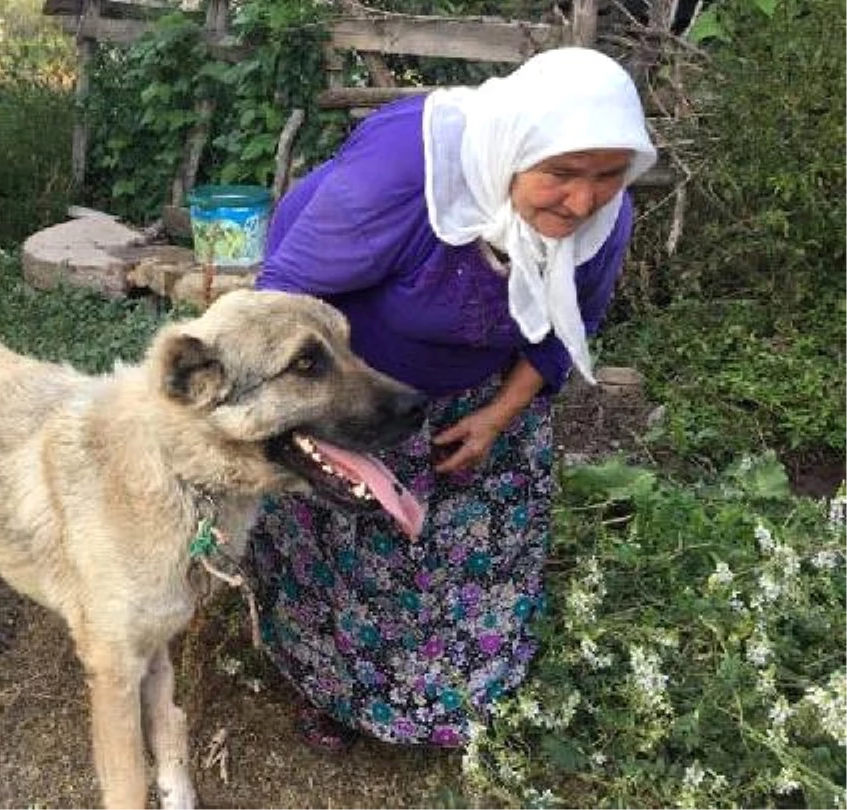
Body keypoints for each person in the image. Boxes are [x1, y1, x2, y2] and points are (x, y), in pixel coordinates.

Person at [247, 47, 657, 751]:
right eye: (560, 174)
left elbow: (566, 330)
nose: (584, 200)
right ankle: (332, 690)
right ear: (512, 155)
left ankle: (456, 698)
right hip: (358, 387)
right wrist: (324, 411)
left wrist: (498, 417)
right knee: (344, 547)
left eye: (609, 177)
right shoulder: (406, 177)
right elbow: (284, 302)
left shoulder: (602, 222)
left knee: (476, 553)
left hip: (483, 398)